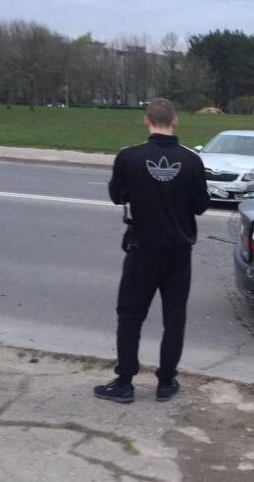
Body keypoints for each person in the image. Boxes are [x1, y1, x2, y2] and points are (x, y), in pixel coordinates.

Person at [96, 98, 210, 404]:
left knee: (130, 315)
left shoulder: (129, 157)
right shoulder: (191, 161)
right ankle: (166, 381)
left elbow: (117, 195)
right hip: (178, 253)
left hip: (141, 249)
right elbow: (201, 205)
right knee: (174, 317)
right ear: (174, 122)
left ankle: (124, 382)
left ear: (147, 121)